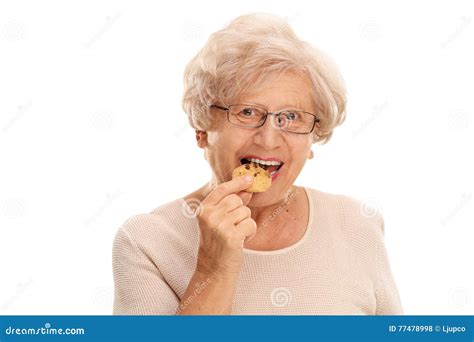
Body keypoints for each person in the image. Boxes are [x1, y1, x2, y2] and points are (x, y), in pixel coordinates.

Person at [112, 13, 403, 315]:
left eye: (291, 117)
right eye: (247, 112)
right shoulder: (146, 243)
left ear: (313, 137)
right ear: (202, 129)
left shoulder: (357, 224)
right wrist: (214, 269)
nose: (268, 139)